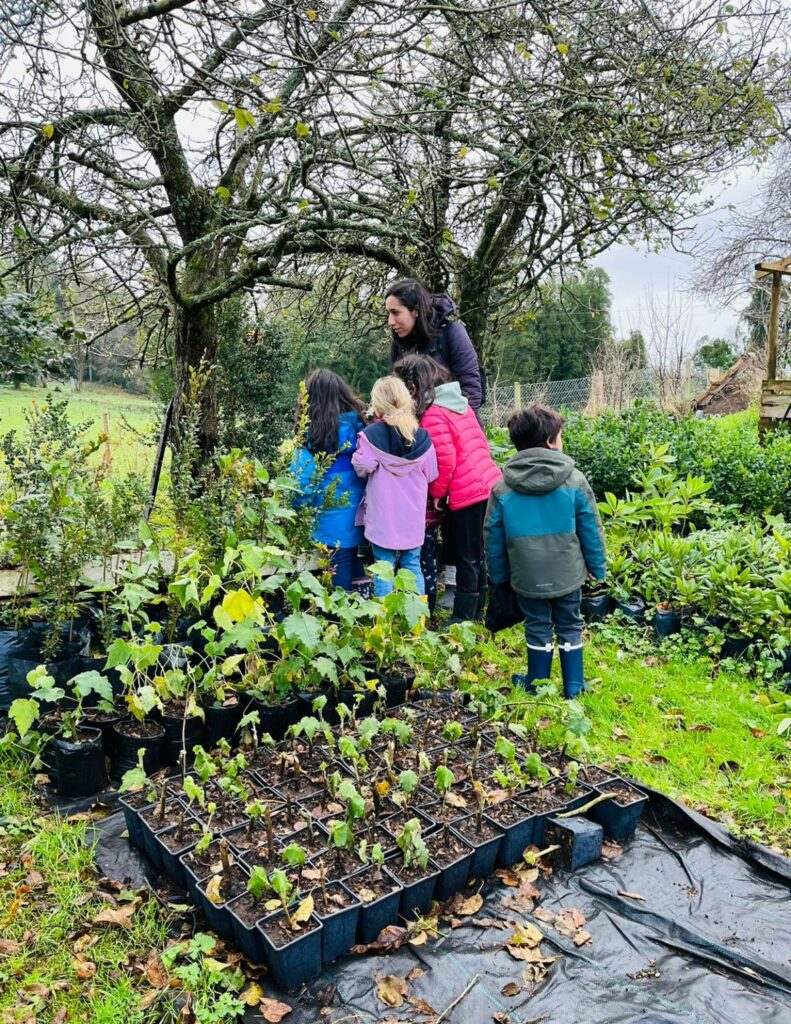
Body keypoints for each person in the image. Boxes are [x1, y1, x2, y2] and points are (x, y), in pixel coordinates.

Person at [484, 404, 606, 698]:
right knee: (570, 623)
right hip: (569, 573)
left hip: (526, 576)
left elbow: (493, 537)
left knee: (537, 624)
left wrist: (500, 576)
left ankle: (537, 683)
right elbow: (590, 527)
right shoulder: (574, 480)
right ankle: (574, 685)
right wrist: (597, 567)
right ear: (551, 441)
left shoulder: (502, 489)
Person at [394, 354, 501, 620]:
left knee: (466, 554)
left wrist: (438, 494)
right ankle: (477, 611)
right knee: (478, 552)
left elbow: (445, 459)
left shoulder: (433, 415)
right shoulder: (459, 405)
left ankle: (463, 617)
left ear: (413, 389)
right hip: (487, 485)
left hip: (466, 493)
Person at [351, 376, 438, 597]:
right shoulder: (423, 437)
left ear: (377, 405)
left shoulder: (370, 437)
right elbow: (431, 473)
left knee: (384, 568)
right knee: (412, 566)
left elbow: (362, 466)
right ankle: (417, 620)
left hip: (383, 518)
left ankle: (384, 623)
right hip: (412, 518)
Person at [290, 369, 368, 592]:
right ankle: (361, 607)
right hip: (359, 511)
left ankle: (340, 617)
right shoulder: (360, 430)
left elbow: (301, 485)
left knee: (338, 565)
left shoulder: (313, 438)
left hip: (329, 516)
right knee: (352, 558)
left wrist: (297, 511)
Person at [385, 278, 484, 412]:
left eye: (396, 312)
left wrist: (453, 424)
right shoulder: (398, 346)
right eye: (388, 313)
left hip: (457, 426)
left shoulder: (452, 332)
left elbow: (471, 390)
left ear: (415, 310)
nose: (390, 321)